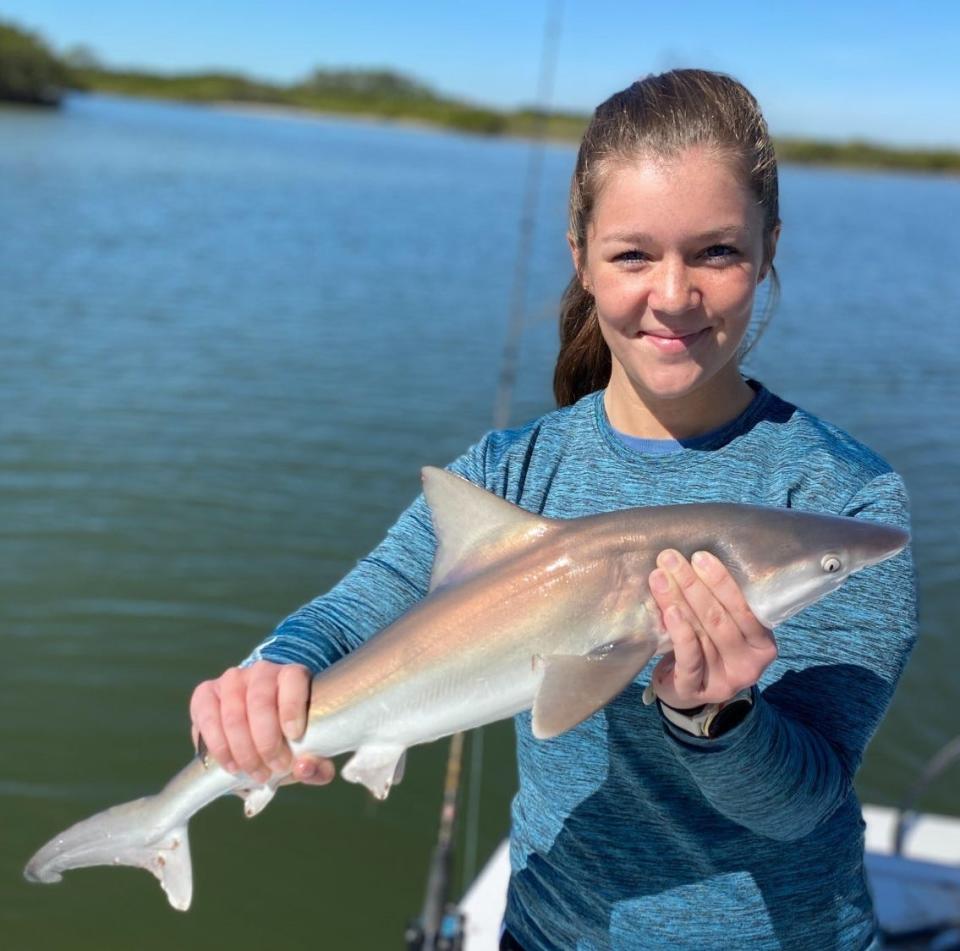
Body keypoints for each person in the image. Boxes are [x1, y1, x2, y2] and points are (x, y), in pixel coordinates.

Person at [189, 69, 917, 949]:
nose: (675, 293)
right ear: (581, 255)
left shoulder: (845, 498)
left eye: (717, 251)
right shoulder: (510, 473)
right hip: (547, 930)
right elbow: (361, 606)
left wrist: (717, 717)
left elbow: (806, 800)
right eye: (633, 254)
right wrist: (274, 669)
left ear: (767, 250)